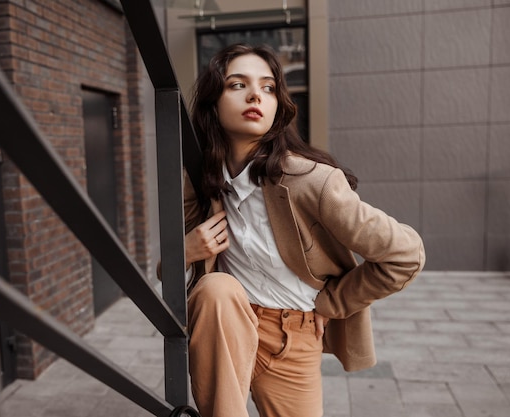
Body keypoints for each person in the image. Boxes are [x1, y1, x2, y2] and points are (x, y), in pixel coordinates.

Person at [180, 44, 425, 417]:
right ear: (214, 103)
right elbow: (168, 274)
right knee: (216, 289)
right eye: (237, 85)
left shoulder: (311, 181)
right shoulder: (201, 182)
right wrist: (186, 250)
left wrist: (331, 302)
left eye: (267, 88)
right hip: (227, 327)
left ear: (278, 105)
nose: (254, 96)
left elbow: (405, 256)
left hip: (293, 338)